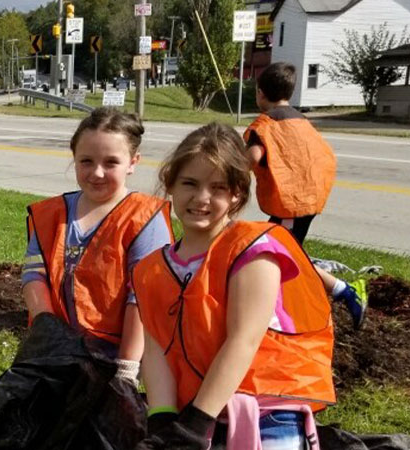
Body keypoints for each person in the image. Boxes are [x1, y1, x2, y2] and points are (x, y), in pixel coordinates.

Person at [134, 123, 334, 449]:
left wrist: (194, 425)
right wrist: (163, 420)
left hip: (267, 409)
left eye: (218, 188)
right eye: (190, 183)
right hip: (198, 410)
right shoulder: (150, 269)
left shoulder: (253, 248)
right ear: (169, 183)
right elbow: (155, 348)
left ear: (237, 193)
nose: (202, 198)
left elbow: (244, 339)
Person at [22, 107, 172, 384]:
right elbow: (33, 275)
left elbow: (142, 298)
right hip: (58, 355)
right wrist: (50, 334)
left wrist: (126, 368)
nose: (97, 173)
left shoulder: (144, 218)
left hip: (116, 359)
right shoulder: (52, 214)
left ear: (133, 162)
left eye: (111, 162)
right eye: (86, 161)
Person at [244, 62, 367, 329]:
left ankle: (344, 291)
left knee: (277, 255)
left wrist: (232, 176)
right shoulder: (301, 121)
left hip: (290, 205)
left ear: (260, 93)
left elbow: (252, 158)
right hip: (307, 200)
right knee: (283, 253)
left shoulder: (264, 126)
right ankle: (289, 305)